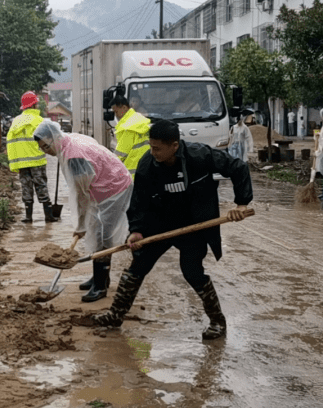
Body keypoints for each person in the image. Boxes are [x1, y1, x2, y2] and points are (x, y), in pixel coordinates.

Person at [93, 118, 254, 340]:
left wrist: (242, 204)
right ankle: (115, 315)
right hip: (158, 223)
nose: (153, 152)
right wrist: (137, 230)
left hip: (193, 224)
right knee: (137, 266)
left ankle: (217, 321)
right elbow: (139, 201)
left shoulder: (200, 156)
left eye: (157, 148)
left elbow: (237, 167)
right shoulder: (147, 164)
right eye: (151, 146)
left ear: (174, 145)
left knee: (192, 271)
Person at [33, 120, 132, 302]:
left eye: (46, 146)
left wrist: (80, 225)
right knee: (95, 233)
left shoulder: (74, 157)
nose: (45, 151)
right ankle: (98, 277)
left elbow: (81, 195)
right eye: (41, 148)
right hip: (101, 186)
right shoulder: (68, 140)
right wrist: (84, 225)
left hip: (114, 189)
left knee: (103, 236)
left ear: (55, 137)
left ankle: (101, 286)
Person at [6, 91, 55, 223]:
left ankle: (28, 217)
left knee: (26, 188)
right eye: (37, 104)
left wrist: (13, 163)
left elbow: (10, 144)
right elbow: (50, 140)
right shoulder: (39, 121)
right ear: (33, 105)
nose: (38, 106)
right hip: (37, 161)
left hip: (22, 164)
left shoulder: (15, 121)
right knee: (41, 186)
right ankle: (48, 216)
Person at [110, 95, 151, 179]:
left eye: (116, 111)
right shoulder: (139, 119)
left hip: (133, 173)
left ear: (124, 107)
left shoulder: (128, 127)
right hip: (147, 167)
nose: (115, 115)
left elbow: (120, 154)